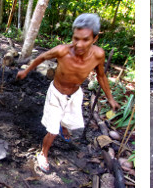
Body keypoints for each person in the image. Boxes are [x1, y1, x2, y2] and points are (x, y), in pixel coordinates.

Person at [16, 13, 119, 172]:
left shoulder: (98, 55)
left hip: (75, 95)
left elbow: (101, 76)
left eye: (85, 39)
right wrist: (26, 71)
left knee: (70, 121)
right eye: (76, 38)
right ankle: (43, 154)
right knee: (52, 130)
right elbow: (41, 57)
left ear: (95, 39)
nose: (79, 44)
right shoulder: (62, 51)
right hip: (56, 94)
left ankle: (64, 127)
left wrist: (110, 99)